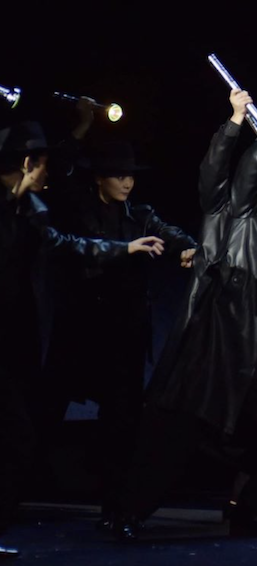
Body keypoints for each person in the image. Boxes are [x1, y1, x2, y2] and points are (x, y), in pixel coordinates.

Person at [116, 93, 257, 540]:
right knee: (178, 433)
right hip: (216, 343)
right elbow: (250, 162)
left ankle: (255, 512)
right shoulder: (243, 212)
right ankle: (128, 514)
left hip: (255, 352)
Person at [0, 120, 163, 558]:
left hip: (29, 334)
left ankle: (112, 506)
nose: (49, 175)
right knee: (27, 426)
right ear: (28, 163)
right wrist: (79, 129)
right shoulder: (50, 205)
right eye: (44, 165)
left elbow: (64, 245)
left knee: (24, 432)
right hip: (64, 333)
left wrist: (127, 248)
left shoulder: (31, 209)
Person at [41, 139, 197, 529]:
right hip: (83, 329)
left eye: (130, 176)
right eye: (118, 176)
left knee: (123, 418)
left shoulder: (140, 214)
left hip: (125, 331)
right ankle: (21, 488)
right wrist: (125, 249)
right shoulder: (79, 210)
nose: (127, 183)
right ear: (99, 179)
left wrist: (187, 249)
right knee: (46, 410)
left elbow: (169, 233)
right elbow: (75, 248)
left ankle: (116, 507)